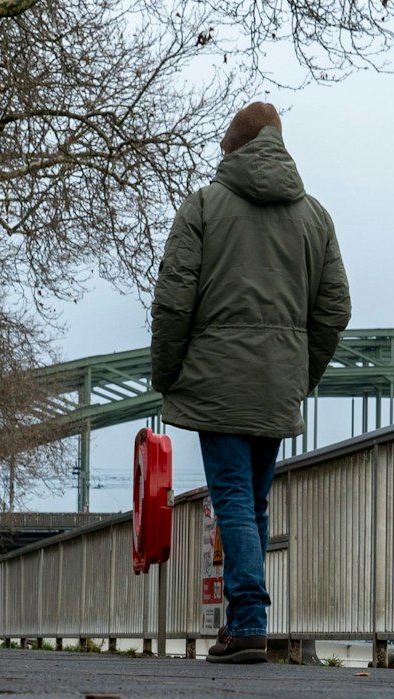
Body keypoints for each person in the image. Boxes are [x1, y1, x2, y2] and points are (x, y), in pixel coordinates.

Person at [150, 102, 351, 664]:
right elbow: (335, 309)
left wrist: (168, 373)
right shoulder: (315, 217)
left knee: (234, 499)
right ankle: (246, 620)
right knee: (254, 503)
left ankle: (247, 625)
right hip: (277, 383)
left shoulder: (205, 207)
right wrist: (300, 374)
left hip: (217, 382)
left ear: (232, 150)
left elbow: (173, 299)